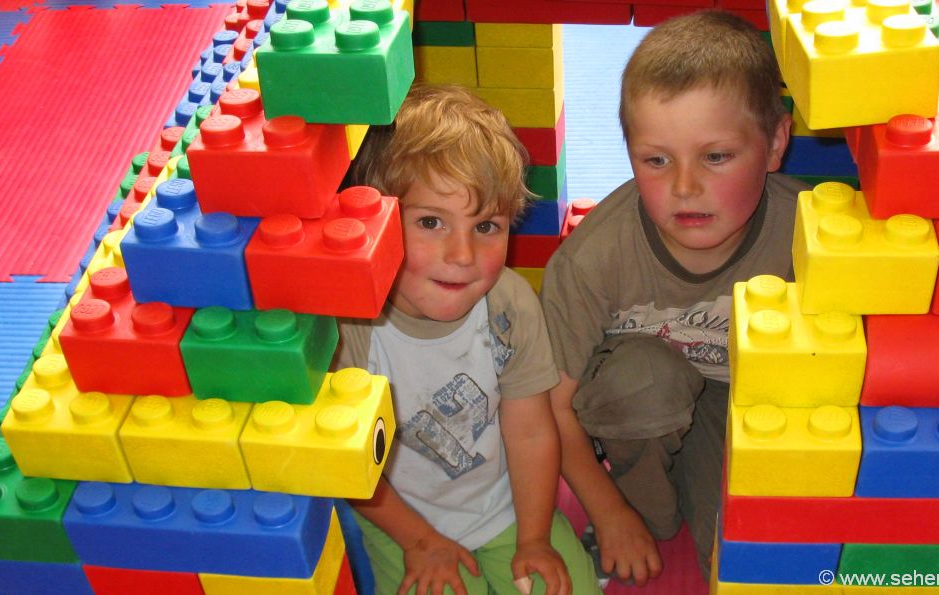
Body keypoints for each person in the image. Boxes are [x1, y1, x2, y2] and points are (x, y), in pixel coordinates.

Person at [540, 10, 809, 583]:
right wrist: (609, 513)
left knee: (739, 553)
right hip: (638, 402)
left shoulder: (808, 233)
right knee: (644, 392)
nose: (685, 187)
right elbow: (550, 404)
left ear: (776, 142)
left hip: (739, 404)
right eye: (656, 160)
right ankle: (638, 499)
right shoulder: (593, 258)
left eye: (716, 157)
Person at [335, 84, 600, 595]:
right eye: (431, 222)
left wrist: (536, 537)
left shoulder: (510, 303)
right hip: (394, 518)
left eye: (486, 226)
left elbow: (530, 433)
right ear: (375, 222)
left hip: (501, 509)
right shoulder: (353, 325)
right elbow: (345, 464)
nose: (462, 254)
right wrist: (418, 540)